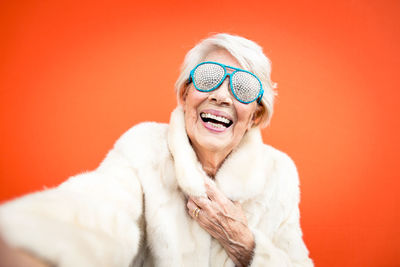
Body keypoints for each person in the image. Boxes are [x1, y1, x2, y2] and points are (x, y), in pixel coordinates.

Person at [0, 33, 313, 267]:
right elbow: (100, 209)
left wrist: (247, 246)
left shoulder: (278, 172)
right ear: (184, 94)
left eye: (242, 87)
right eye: (207, 78)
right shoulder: (144, 148)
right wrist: (32, 238)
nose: (221, 96)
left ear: (256, 116)